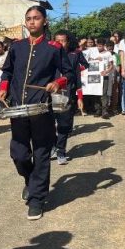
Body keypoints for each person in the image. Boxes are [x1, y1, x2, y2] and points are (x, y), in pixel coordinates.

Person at [0, 6, 73, 220]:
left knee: (41, 154)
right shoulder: (17, 47)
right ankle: (30, 182)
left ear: (45, 21)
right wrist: (3, 87)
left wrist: (57, 83)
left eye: (36, 18)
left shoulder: (53, 47)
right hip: (18, 110)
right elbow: (7, 71)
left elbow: (68, 73)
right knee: (19, 154)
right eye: (28, 19)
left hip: (42, 109)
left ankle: (37, 199)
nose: (32, 22)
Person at [52, 30, 87, 164]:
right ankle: (53, 146)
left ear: (68, 42)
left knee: (63, 125)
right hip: (49, 93)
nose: (60, 43)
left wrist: (79, 97)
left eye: (63, 40)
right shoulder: (48, 54)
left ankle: (61, 152)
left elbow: (77, 77)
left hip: (66, 94)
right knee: (48, 125)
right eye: (57, 41)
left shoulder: (74, 56)